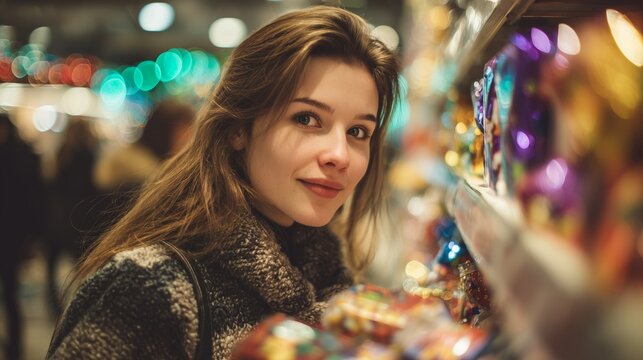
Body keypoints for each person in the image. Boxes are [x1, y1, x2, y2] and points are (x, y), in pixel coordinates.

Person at [47, 5, 399, 359]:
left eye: (358, 131)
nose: (339, 154)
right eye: (307, 118)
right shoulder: (147, 289)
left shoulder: (333, 288)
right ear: (237, 129)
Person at [0, 113, 45, 360]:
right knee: (11, 293)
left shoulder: (19, 157)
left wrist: (32, 236)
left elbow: (32, 200)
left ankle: (15, 346)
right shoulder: (24, 155)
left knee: (11, 293)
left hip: (10, 236)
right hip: (13, 235)